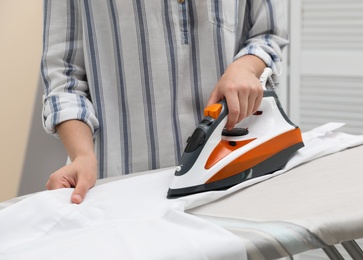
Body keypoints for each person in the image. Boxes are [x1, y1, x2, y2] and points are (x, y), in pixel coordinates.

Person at [41, 0, 288, 204]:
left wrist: (245, 67)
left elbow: (269, 32)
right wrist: (82, 155)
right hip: (119, 187)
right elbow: (64, 75)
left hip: (231, 178)